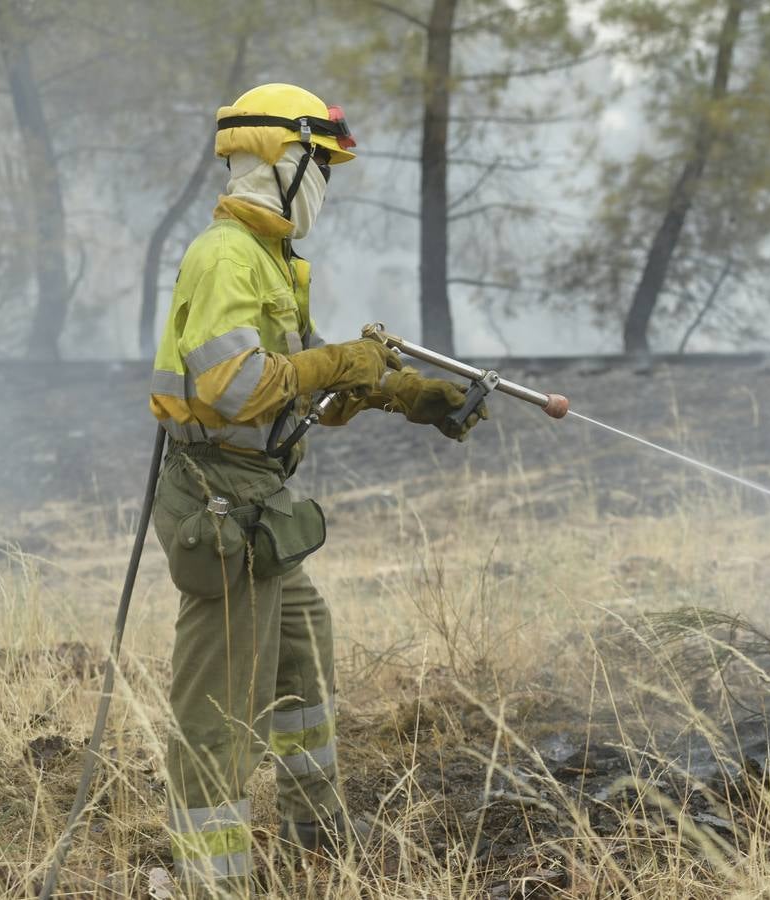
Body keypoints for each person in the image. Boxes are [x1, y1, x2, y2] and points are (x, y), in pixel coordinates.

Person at [148, 83, 482, 895]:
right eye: (320, 163)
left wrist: (399, 391)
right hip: (223, 501)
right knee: (221, 709)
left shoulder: (270, 258)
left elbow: (298, 388)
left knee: (302, 657)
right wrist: (340, 363)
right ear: (280, 161)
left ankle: (316, 832)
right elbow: (235, 389)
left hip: (262, 499)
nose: (327, 182)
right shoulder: (225, 255)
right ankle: (211, 882)